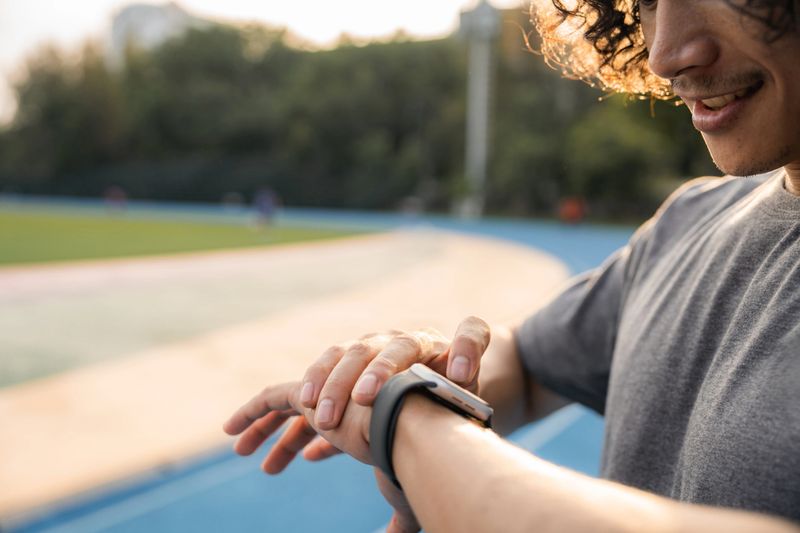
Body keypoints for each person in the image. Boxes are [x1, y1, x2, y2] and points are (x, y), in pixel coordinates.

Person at [224, 0, 800, 531]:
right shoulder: (690, 222)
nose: (666, 53)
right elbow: (526, 361)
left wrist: (411, 424)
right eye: (647, 1)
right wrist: (429, 372)